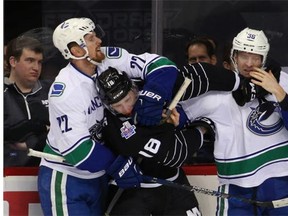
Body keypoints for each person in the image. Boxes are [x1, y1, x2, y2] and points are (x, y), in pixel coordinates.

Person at [37, 17, 183, 216]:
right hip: (68, 177)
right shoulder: (65, 92)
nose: (98, 41)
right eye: (90, 38)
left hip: (99, 175)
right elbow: (79, 152)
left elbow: (162, 65)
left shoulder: (107, 59)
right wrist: (117, 164)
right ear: (77, 51)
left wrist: (153, 96)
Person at [178, 27, 288, 215]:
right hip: (236, 183)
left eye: (256, 57)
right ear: (233, 56)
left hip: (280, 177)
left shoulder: (283, 81)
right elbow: (177, 116)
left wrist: (278, 92)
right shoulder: (215, 91)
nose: (250, 63)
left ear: (264, 57)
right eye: (244, 56)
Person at [97, 67, 218, 215]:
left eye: (128, 99)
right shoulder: (113, 125)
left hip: (173, 186)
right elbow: (174, 154)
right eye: (117, 106)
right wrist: (201, 129)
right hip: (131, 194)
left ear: (134, 89)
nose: (126, 108)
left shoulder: (154, 95)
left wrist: (179, 121)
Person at [4, 35, 52, 167]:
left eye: (39, 62)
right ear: (13, 62)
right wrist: (41, 127)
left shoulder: (53, 90)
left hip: (50, 172)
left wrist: (27, 143)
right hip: (9, 178)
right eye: (30, 60)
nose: (36, 67)